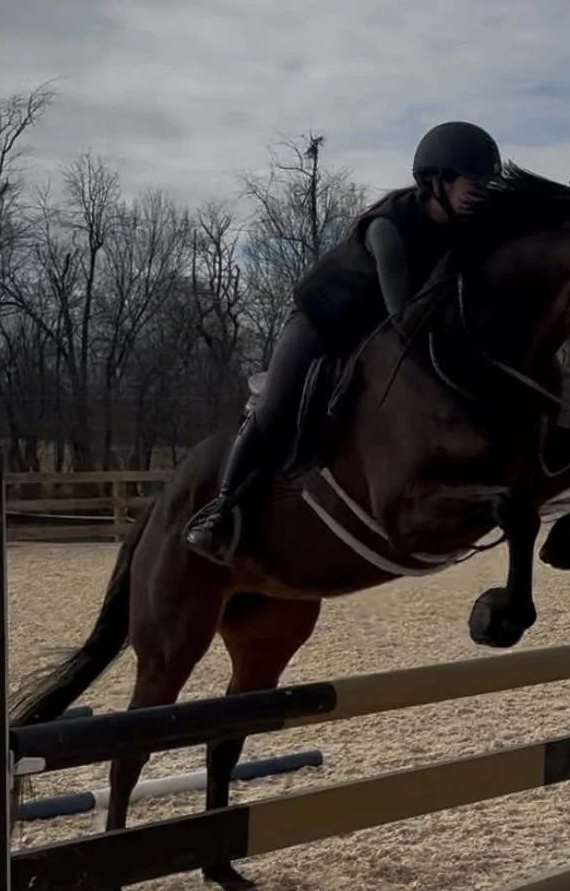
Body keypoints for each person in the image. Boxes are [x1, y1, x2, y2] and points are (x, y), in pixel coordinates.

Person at [182, 121, 504, 564]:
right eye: (476, 184)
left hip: (370, 331)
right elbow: (403, 317)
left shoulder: (458, 229)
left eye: (489, 186)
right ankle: (220, 511)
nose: (482, 194)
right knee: (276, 408)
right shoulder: (388, 228)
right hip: (320, 322)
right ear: (438, 180)